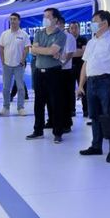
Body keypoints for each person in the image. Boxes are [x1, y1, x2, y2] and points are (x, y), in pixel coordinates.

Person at [77, 10, 110, 163]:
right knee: (94, 116)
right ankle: (96, 146)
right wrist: (81, 85)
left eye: (94, 21)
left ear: (104, 23)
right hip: (91, 82)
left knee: (109, 116)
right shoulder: (91, 42)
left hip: (107, 81)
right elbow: (85, 64)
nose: (92, 24)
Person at [26, 8, 67, 143]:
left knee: (56, 103)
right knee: (38, 103)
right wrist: (47, 50)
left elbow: (52, 51)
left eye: (48, 16)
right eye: (44, 16)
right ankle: (38, 131)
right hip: (39, 72)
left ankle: (58, 132)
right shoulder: (39, 33)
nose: (45, 19)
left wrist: (43, 50)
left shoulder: (61, 35)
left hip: (54, 72)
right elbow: (33, 50)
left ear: (55, 19)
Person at [0, 13, 31, 116]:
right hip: (7, 65)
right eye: (11, 19)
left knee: (20, 87)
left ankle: (20, 108)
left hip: (19, 65)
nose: (12, 21)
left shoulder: (24, 34)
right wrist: (3, 61)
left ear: (19, 21)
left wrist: (23, 60)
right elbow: (1, 48)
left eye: (15, 19)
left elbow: (26, 48)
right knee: (6, 88)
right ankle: (5, 107)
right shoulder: (4, 34)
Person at [59, 18, 77, 132]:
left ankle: (67, 123)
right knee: (56, 98)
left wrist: (61, 64)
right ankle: (54, 121)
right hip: (55, 70)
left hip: (65, 70)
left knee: (66, 98)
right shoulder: (54, 36)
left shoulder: (69, 37)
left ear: (60, 24)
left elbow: (69, 54)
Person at [70, 21, 88, 117]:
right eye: (72, 28)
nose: (74, 30)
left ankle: (86, 110)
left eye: (76, 28)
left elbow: (84, 52)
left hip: (81, 68)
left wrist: (70, 53)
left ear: (79, 29)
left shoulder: (83, 39)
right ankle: (71, 110)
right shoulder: (67, 40)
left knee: (84, 88)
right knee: (70, 90)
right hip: (69, 68)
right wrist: (77, 51)